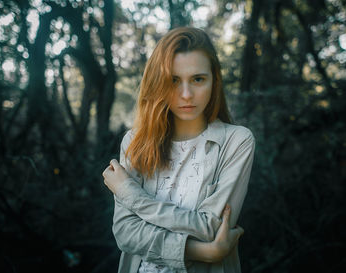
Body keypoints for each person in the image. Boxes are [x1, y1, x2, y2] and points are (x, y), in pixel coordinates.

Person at [102, 27, 256, 273]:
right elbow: (125, 232)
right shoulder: (134, 142)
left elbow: (210, 228)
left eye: (198, 79)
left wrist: (132, 195)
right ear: (158, 82)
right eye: (174, 80)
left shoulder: (236, 141)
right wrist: (205, 252)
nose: (186, 94)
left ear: (214, 81)